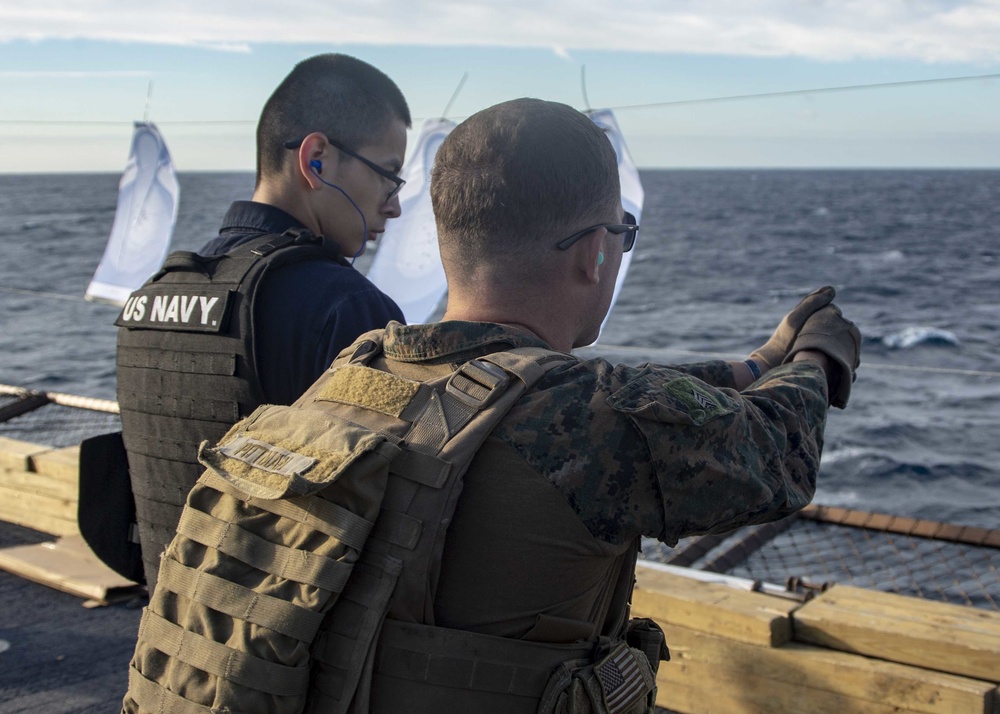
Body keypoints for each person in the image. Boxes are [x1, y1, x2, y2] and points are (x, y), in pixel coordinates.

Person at [123, 98, 861, 713]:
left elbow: (568, 394)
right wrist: (815, 358)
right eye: (621, 237)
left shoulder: (359, 371)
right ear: (596, 251)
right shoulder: (589, 422)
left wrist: (755, 362)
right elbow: (779, 452)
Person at [114, 53, 411, 590]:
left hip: (162, 648)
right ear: (317, 158)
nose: (393, 207)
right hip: (276, 662)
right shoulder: (345, 307)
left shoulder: (152, 296)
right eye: (389, 177)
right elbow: (395, 530)